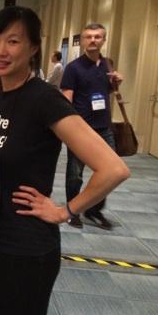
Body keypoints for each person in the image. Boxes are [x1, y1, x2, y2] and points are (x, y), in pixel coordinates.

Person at [0, 6, 129, 315]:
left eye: (13, 41)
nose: (1, 49)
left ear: (33, 49)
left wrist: (65, 210)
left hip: (26, 250)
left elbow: (112, 168)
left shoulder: (43, 98)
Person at [60, 23, 124, 229]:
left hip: (104, 127)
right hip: (81, 129)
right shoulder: (73, 68)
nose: (93, 40)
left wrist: (117, 83)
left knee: (109, 171)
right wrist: (69, 129)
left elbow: (107, 92)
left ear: (104, 40)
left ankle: (94, 210)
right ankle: (73, 211)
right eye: (88, 37)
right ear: (83, 41)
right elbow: (66, 99)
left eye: (97, 37)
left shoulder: (108, 65)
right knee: (75, 174)